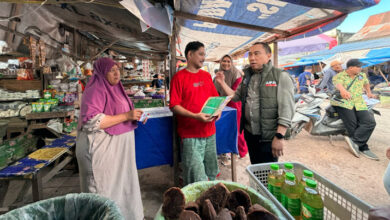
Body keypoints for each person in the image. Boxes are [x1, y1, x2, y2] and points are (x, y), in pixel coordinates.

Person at [76, 57, 144, 220]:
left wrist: (134, 116)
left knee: (121, 189)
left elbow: (121, 114)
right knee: (102, 190)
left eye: (118, 69)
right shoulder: (95, 89)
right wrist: (126, 115)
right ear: (101, 72)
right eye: (111, 70)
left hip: (117, 153)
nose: (116, 73)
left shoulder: (117, 88)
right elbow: (92, 121)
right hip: (101, 150)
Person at [215, 42, 294, 164]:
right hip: (250, 134)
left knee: (268, 173)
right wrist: (221, 82)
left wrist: (279, 136)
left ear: (268, 55)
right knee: (255, 168)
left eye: (257, 54)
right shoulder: (247, 77)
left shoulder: (280, 76)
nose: (252, 58)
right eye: (250, 54)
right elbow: (235, 97)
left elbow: (286, 109)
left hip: (268, 136)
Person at [169, 41, 221, 185]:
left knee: (211, 172)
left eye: (204, 54)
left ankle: (211, 201)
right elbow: (174, 105)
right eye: (201, 54)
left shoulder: (206, 76)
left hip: (210, 132)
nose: (203, 58)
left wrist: (219, 111)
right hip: (190, 135)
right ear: (190, 54)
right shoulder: (179, 77)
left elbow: (216, 99)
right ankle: (197, 204)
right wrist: (195, 116)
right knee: (195, 176)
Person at [331, 59, 378, 160]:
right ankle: (364, 147)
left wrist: (368, 92)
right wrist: (343, 91)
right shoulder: (339, 76)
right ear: (351, 68)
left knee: (370, 122)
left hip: (358, 102)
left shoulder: (361, 75)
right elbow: (338, 84)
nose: (360, 68)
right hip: (343, 102)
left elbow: (366, 83)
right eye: (358, 66)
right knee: (353, 124)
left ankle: (355, 142)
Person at [214, 54, 248, 159]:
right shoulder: (217, 76)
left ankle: (241, 151)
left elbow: (234, 94)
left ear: (232, 63)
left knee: (236, 129)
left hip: (234, 105)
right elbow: (214, 92)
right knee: (225, 128)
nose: (226, 63)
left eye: (229, 61)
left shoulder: (237, 75)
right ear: (220, 62)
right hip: (222, 105)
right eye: (224, 61)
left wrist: (222, 82)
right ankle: (226, 150)